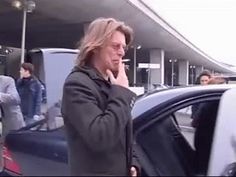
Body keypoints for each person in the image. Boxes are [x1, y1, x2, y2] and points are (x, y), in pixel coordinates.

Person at [61, 17, 139, 176]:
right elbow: (100, 137)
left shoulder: (111, 83)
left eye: (124, 47)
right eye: (116, 46)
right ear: (95, 46)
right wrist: (121, 92)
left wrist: (133, 163)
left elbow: (123, 132)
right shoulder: (77, 84)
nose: (122, 52)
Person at [0, 75, 25, 171]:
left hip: (13, 122)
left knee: (18, 152)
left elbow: (16, 99)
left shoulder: (7, 81)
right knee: (3, 150)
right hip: (3, 124)